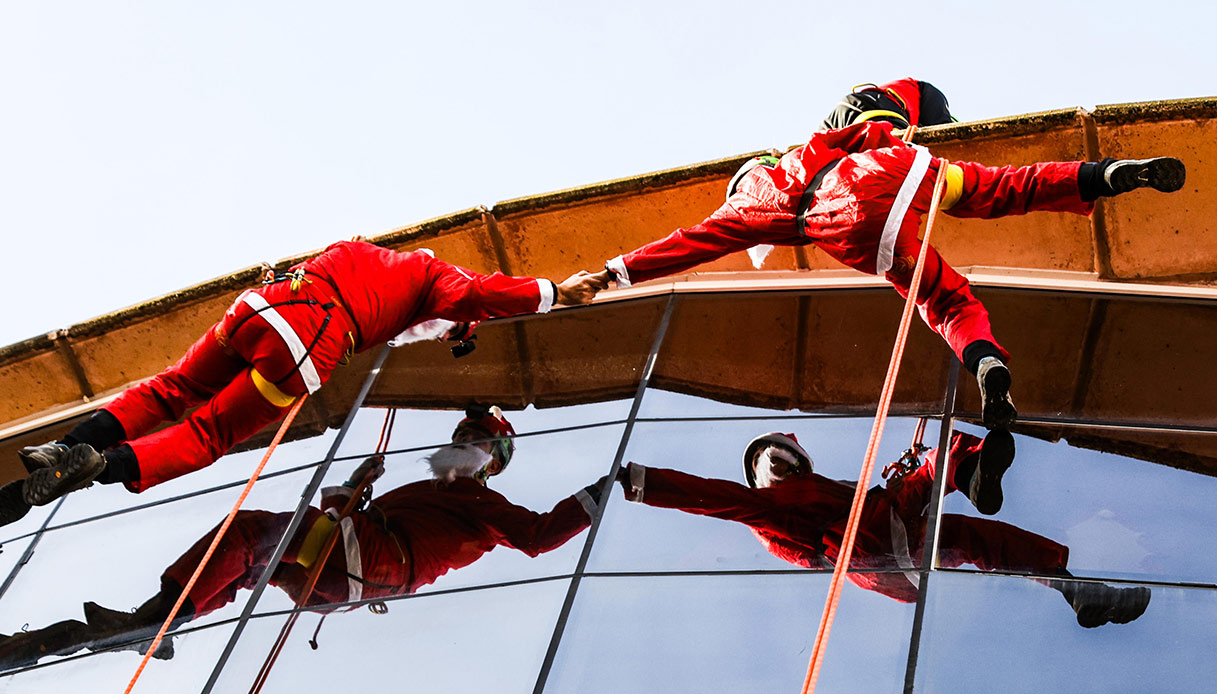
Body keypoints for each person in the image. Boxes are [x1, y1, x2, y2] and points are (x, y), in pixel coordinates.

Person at [588, 120, 1186, 429]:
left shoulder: (743, 208)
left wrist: (613, 274)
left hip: (848, 229)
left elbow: (682, 246)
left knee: (943, 300)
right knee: (1003, 188)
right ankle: (1107, 174)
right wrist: (895, 137)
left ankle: (985, 359)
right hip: (892, 169)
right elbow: (870, 125)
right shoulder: (804, 149)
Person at [1, 239, 607, 527]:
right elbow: (474, 293)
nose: (450, 336)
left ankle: (66, 447)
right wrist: (552, 292)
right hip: (309, 342)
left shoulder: (366, 254)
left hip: (264, 306)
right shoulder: (437, 278)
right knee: (210, 433)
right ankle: (99, 467)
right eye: (455, 333)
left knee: (171, 386)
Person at [0, 408, 609, 669]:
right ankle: (145, 626)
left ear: (490, 460)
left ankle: (153, 625)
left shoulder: (483, 503)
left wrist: (606, 490)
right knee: (240, 559)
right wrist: (354, 483)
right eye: (465, 431)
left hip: (374, 562)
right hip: (347, 564)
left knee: (253, 532)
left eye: (478, 440)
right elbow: (339, 515)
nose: (464, 441)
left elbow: (538, 536)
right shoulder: (412, 496)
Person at [615, 429, 1151, 628]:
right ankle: (967, 472)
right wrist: (644, 483)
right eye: (768, 460)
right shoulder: (769, 510)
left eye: (783, 454)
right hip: (866, 547)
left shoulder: (823, 486)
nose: (776, 461)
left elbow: (875, 502)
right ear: (757, 478)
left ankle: (1078, 591)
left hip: (882, 531)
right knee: (944, 497)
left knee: (972, 525)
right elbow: (715, 499)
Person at [821, 78, 956, 131]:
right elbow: (942, 130)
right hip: (874, 109)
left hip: (840, 115)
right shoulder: (929, 91)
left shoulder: (907, 88)